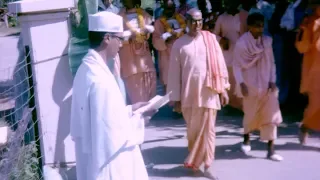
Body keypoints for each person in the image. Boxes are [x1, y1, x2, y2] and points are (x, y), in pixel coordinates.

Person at [70, 11, 156, 180]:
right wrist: (139, 118)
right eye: (119, 38)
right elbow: (111, 134)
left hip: (98, 156)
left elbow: (104, 117)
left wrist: (131, 109)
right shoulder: (99, 79)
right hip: (109, 162)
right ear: (107, 38)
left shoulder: (88, 69)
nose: (122, 44)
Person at [167, 8, 229, 179]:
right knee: (193, 132)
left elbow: (220, 65)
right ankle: (195, 161)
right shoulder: (179, 44)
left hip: (209, 91)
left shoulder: (211, 40)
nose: (197, 24)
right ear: (186, 22)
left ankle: (208, 164)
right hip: (189, 95)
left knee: (209, 131)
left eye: (200, 21)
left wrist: (223, 89)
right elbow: (174, 74)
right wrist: (176, 99)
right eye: (193, 21)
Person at [233, 13, 283, 161]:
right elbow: (236, 65)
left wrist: (272, 80)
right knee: (250, 113)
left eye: (262, 25)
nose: (260, 29)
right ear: (249, 26)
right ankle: (246, 138)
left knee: (271, 116)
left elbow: (272, 62)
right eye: (256, 26)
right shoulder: (242, 43)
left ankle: (271, 150)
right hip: (250, 84)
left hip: (267, 84)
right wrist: (241, 83)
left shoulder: (267, 41)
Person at [118, 0, 157, 104]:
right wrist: (129, 36)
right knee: (134, 87)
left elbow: (151, 30)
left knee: (149, 80)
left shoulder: (143, 14)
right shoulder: (118, 17)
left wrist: (146, 31)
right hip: (129, 58)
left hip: (144, 56)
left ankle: (147, 112)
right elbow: (117, 38)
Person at [295, 0, 320, 145]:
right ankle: (305, 126)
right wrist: (304, 30)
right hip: (315, 70)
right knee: (316, 103)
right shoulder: (310, 22)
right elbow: (302, 47)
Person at [213, 0, 243, 110]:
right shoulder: (222, 18)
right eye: (227, 3)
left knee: (240, 76)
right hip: (227, 51)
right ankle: (229, 104)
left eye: (231, 2)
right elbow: (214, 35)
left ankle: (241, 105)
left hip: (242, 52)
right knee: (229, 77)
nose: (228, 5)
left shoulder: (243, 16)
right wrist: (221, 40)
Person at [153, 0, 186, 92]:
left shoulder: (182, 19)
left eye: (171, 8)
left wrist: (180, 34)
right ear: (163, 8)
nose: (169, 11)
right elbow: (155, 41)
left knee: (183, 83)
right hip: (166, 56)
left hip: (181, 54)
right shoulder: (158, 22)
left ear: (175, 8)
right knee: (170, 86)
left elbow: (187, 35)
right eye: (167, 9)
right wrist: (165, 39)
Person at [98, 0, 127, 101]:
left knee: (116, 77)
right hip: (101, 49)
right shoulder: (96, 7)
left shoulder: (116, 10)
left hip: (113, 50)